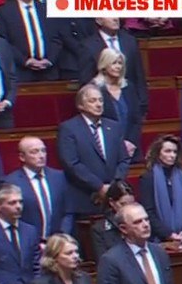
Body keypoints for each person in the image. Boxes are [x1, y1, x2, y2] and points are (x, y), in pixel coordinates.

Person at [56, 84, 130, 222]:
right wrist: (99, 187)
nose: (98, 104)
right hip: (85, 198)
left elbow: (124, 160)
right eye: (92, 101)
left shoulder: (114, 126)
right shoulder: (69, 128)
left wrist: (113, 187)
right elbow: (71, 163)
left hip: (114, 200)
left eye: (100, 100)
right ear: (80, 105)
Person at [6, 136, 72, 239]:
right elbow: (11, 217)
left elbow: (68, 211)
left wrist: (61, 238)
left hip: (58, 241)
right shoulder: (11, 182)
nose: (41, 156)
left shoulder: (59, 177)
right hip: (28, 242)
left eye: (43, 151)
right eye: (34, 152)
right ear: (22, 157)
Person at [138, 135, 182, 247]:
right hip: (159, 239)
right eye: (167, 151)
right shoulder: (148, 178)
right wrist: (168, 234)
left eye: (175, 152)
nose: (172, 155)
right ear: (158, 153)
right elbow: (149, 212)